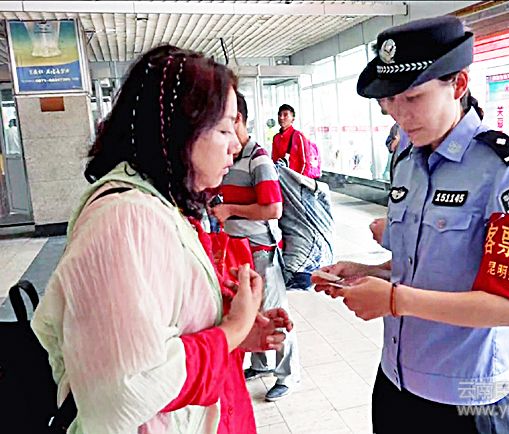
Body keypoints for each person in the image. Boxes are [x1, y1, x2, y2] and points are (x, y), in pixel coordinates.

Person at [31, 45, 293, 434]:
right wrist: (233, 328)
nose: (235, 145)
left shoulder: (158, 205)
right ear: (181, 130)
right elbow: (127, 390)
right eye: (224, 129)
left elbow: (159, 331)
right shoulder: (126, 219)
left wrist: (235, 331)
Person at [313, 16, 509, 434]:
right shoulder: (407, 162)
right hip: (396, 383)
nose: (399, 115)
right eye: (390, 100)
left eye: (413, 97)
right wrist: (367, 274)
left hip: (467, 400)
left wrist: (394, 301)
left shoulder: (503, 169)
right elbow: (424, 267)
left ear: (458, 84)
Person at [212, 91, 301, 401]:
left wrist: (230, 210)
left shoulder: (258, 158)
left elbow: (273, 208)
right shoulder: (231, 158)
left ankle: (288, 375)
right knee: (252, 310)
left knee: (276, 312)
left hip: (262, 250)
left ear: (237, 119)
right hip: (239, 250)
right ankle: (262, 364)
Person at [271, 104, 309, 175]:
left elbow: (305, 162)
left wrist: (300, 179)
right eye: (279, 115)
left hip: (297, 178)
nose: (281, 117)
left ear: (293, 119)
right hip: (283, 178)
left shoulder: (298, 136)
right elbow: (274, 160)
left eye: (285, 115)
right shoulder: (276, 138)